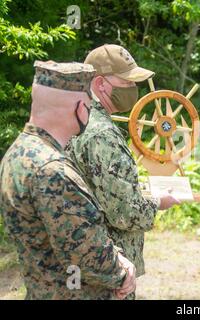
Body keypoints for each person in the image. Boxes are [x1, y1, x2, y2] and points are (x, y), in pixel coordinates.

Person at [0, 61, 135, 299]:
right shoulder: (53, 172)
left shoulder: (19, 152)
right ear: (81, 107)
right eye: (90, 105)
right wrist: (123, 273)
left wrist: (116, 255)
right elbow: (88, 257)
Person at [65, 44, 179, 298]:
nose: (132, 89)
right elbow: (125, 213)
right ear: (100, 84)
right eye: (127, 82)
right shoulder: (102, 133)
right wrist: (159, 201)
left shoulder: (75, 119)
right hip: (106, 270)